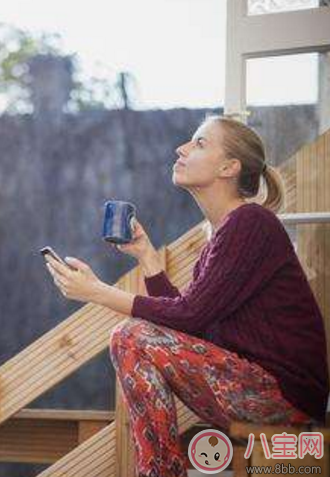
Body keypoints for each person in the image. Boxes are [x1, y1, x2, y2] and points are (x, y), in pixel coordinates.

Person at [44, 115, 329, 477]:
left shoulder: (252, 223)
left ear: (229, 166)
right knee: (135, 337)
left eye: (199, 143)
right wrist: (147, 256)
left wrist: (97, 291)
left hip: (285, 401)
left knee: (130, 336)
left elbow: (189, 315)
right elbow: (191, 328)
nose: (181, 149)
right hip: (258, 393)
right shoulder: (222, 238)